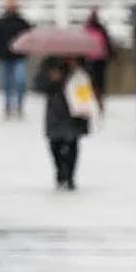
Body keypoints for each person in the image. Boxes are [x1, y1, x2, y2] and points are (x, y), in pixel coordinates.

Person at [36, 57, 87, 190]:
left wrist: (77, 70)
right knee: (55, 143)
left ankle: (70, 176)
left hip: (75, 108)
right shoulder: (50, 61)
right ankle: (60, 171)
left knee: (72, 142)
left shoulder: (80, 60)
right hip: (55, 110)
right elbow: (39, 85)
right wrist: (51, 78)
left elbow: (89, 80)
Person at [0, 0, 32, 119]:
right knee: (6, 83)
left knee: (20, 81)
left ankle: (19, 106)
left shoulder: (22, 22)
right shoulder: (0, 22)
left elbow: (29, 37)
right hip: (5, 57)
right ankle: (8, 106)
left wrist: (26, 52)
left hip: (19, 57)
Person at [82, 9, 115, 116]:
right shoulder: (101, 29)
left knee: (88, 83)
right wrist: (110, 56)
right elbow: (108, 45)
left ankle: (88, 105)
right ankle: (99, 105)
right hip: (100, 61)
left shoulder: (86, 29)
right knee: (99, 85)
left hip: (88, 60)